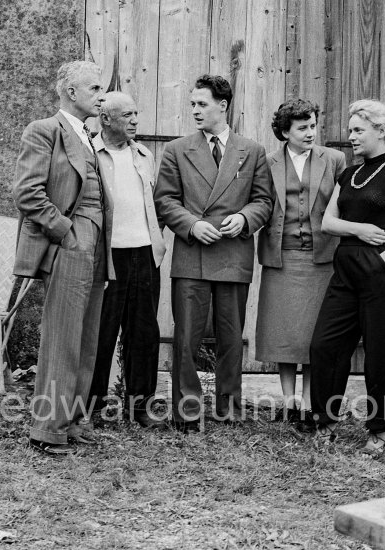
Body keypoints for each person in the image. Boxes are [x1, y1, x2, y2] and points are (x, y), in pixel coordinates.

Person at [309, 99, 385, 455]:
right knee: (325, 345)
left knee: (380, 353)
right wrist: (361, 229)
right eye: (350, 130)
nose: (351, 137)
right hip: (346, 271)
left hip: (382, 275)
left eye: (358, 130)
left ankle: (379, 430)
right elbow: (328, 223)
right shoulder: (350, 174)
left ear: (381, 131)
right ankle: (325, 421)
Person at [154, 74, 273, 432]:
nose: (194, 110)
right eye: (192, 104)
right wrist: (191, 224)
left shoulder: (251, 151)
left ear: (223, 106)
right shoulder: (177, 149)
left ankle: (229, 408)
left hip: (232, 256)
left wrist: (244, 218)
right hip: (192, 257)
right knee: (186, 339)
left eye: (201, 104)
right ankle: (186, 412)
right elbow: (165, 200)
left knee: (231, 339)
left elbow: (264, 201)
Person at [13, 60, 115, 455]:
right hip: (70, 245)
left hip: (97, 247)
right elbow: (28, 194)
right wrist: (67, 233)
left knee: (86, 338)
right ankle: (48, 428)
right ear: (71, 93)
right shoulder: (45, 130)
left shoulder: (88, 136)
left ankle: (71, 421)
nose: (101, 97)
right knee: (62, 338)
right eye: (94, 89)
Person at [256, 99, 346, 427]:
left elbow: (344, 204)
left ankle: (309, 403)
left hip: (322, 259)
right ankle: (288, 400)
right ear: (285, 132)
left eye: (313, 126)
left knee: (313, 334)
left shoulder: (335, 159)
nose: (310, 133)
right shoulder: (267, 163)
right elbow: (260, 203)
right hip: (281, 259)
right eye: (302, 128)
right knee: (284, 333)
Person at [87, 92, 166, 427]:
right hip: (108, 256)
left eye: (137, 114)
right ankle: (92, 407)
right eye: (128, 115)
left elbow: (156, 204)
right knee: (101, 333)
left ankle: (140, 407)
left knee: (144, 333)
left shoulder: (144, 154)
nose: (136, 121)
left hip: (145, 253)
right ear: (106, 119)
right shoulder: (90, 153)